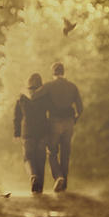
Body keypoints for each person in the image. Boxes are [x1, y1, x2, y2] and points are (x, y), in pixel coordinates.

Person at [44, 61, 83, 192]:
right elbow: (80, 108)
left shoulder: (48, 86)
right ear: (63, 72)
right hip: (69, 122)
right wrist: (74, 120)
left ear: (53, 73)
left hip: (54, 121)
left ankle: (58, 177)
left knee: (52, 152)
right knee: (66, 153)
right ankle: (64, 185)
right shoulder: (72, 86)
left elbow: (39, 102)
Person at [13, 72, 49, 194]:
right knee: (41, 159)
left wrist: (17, 133)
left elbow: (17, 117)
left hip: (27, 133)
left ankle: (33, 176)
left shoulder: (21, 98)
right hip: (43, 132)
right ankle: (40, 189)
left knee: (28, 158)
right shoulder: (45, 97)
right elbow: (51, 114)